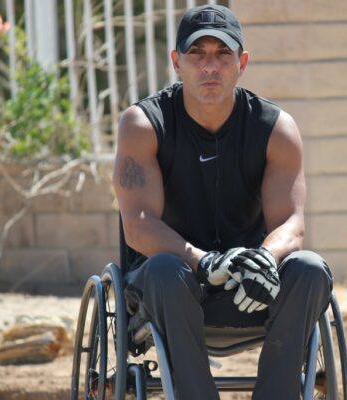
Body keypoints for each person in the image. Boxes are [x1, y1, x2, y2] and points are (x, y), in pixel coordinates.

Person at [112, 4, 333, 399]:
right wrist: (205, 262)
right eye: (197, 54)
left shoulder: (276, 128)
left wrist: (264, 259)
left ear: (241, 63)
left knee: (310, 268)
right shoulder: (143, 124)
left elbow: (292, 224)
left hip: (249, 285)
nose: (210, 66)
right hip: (172, 284)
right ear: (177, 62)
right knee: (163, 269)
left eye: (223, 54)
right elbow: (138, 225)